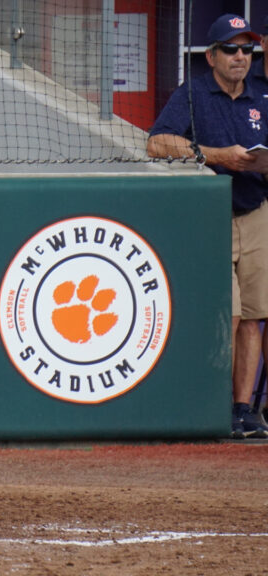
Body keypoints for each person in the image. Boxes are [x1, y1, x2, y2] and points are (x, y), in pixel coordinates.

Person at [148, 14, 268, 440]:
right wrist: (217, 155)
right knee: (231, 314)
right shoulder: (193, 93)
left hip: (256, 210)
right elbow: (157, 141)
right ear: (212, 56)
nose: (240, 57)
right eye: (231, 49)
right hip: (211, 217)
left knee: (255, 316)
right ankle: (213, 406)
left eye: (247, 49)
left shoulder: (262, 96)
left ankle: (243, 410)